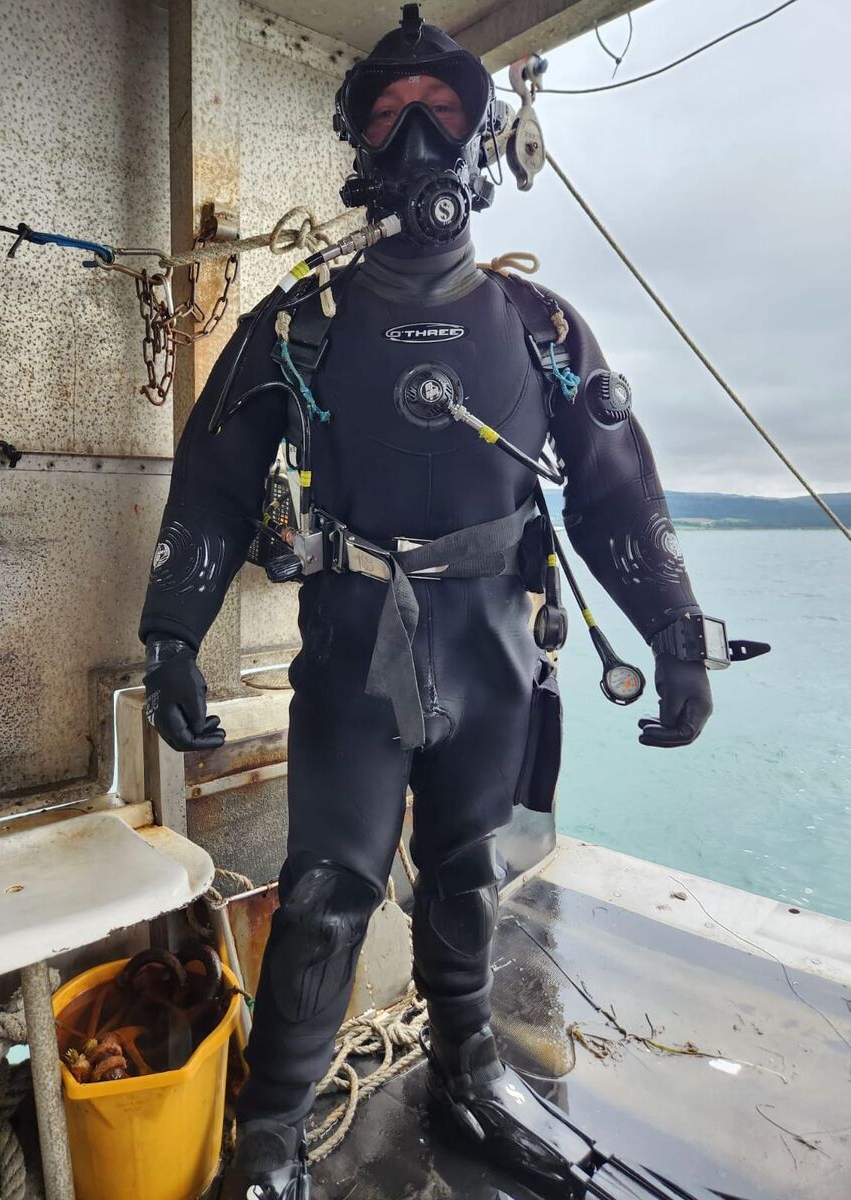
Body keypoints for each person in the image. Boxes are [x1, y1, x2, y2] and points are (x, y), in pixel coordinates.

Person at [139, 7, 716, 1198]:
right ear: (355, 147)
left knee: (465, 872)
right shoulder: (297, 326)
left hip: (496, 642)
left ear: (481, 137)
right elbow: (208, 485)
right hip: (355, 648)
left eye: (440, 110)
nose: (414, 142)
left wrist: (675, 629)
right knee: (325, 890)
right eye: (387, 115)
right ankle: (271, 1139)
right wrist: (171, 637)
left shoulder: (542, 331)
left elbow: (613, 491)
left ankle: (468, 1072)